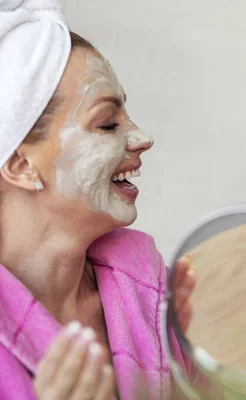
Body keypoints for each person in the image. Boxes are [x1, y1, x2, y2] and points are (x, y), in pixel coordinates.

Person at [0, 1, 198, 398]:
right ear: (21, 164)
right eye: (107, 123)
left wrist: (191, 376)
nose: (143, 138)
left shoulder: (149, 293)